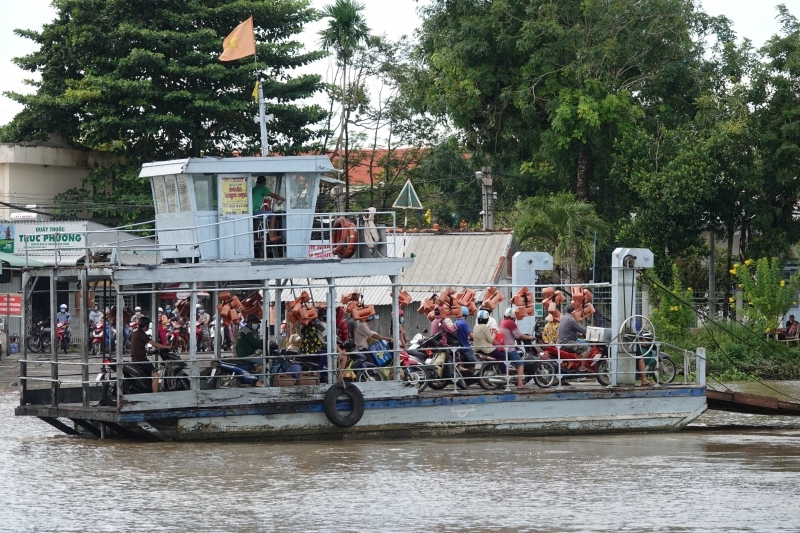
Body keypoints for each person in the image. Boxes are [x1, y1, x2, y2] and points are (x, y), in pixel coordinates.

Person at [474, 309, 526, 388]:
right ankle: (504, 375)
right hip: (487, 348)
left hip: (477, 348)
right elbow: (490, 340)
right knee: (503, 357)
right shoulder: (484, 327)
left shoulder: (476, 326)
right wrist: (494, 334)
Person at [129, 315, 171, 393]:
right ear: (146, 325)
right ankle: (155, 395)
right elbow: (154, 344)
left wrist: (148, 352)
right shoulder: (141, 333)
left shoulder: (135, 333)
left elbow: (138, 347)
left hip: (136, 358)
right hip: (140, 360)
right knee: (156, 375)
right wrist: (166, 347)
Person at [497, 308, 535, 387]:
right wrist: (531, 338)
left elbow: (512, 335)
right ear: (513, 316)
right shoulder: (511, 323)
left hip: (502, 347)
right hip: (509, 349)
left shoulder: (503, 322)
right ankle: (520, 384)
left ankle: (505, 379)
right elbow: (519, 335)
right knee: (520, 364)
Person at [252, 175, 286, 242]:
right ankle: (272, 236)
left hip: (251, 212)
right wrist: (285, 199)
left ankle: (256, 238)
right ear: (264, 182)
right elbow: (275, 196)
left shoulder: (253, 189)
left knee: (254, 222)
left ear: (256, 181)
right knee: (273, 216)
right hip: (255, 211)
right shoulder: (261, 188)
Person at [557, 306, 591, 372]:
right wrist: (591, 332)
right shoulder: (571, 319)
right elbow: (582, 328)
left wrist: (579, 334)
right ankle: (582, 367)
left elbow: (568, 329)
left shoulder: (564, 317)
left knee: (581, 342)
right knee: (586, 348)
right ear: (574, 312)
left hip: (562, 341)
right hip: (567, 342)